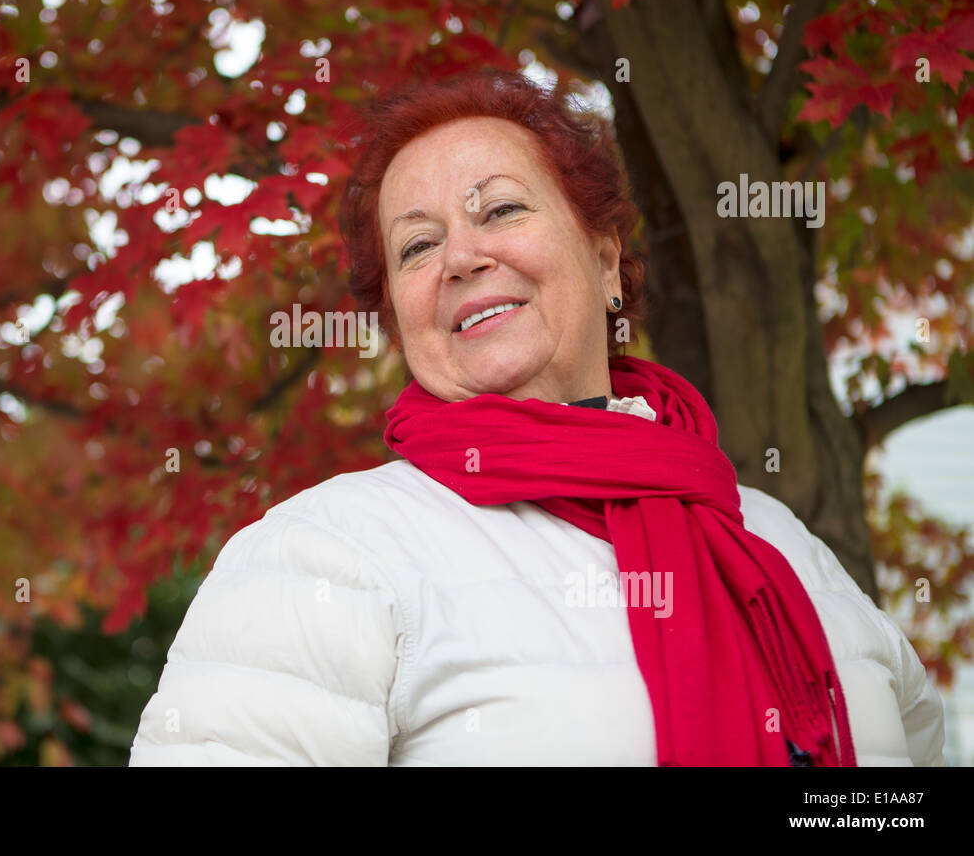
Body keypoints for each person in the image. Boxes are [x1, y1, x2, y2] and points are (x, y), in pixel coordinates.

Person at [128, 68, 947, 766]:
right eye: (417, 247)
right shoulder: (327, 555)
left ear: (603, 260)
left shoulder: (784, 548)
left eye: (500, 211)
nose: (460, 257)